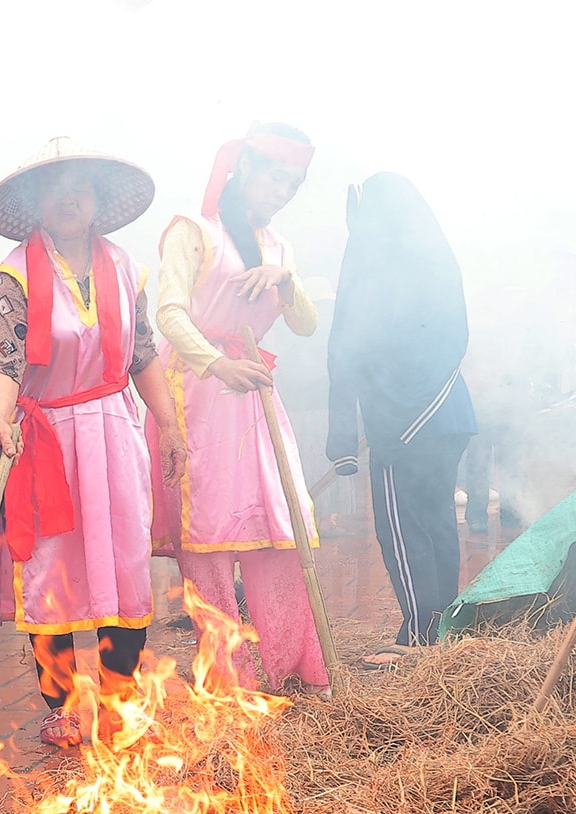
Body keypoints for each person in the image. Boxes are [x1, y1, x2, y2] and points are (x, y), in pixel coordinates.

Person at [0, 138, 187, 748]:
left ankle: (122, 698)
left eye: (81, 187)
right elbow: (2, 362)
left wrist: (169, 423)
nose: (69, 198)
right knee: (52, 574)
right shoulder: (13, 276)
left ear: (98, 200)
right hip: (48, 442)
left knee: (124, 565)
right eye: (55, 187)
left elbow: (142, 353)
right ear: (36, 203)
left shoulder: (127, 269)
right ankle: (62, 705)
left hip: (115, 434)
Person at [150, 124, 327, 696]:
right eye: (278, 176)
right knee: (207, 536)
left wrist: (288, 280)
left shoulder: (278, 247)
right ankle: (229, 676)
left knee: (274, 526)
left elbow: (304, 324)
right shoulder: (193, 230)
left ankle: (287, 663)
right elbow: (169, 314)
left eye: (295, 183)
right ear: (246, 168)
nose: (285, 190)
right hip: (197, 393)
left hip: (254, 395)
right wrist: (215, 364)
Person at [326, 173, 477, 668]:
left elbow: (346, 344)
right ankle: (438, 630)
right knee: (435, 524)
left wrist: (347, 435)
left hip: (403, 419)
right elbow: (454, 335)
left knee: (402, 526)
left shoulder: (374, 258)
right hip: (449, 411)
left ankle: (417, 635)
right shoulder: (434, 255)